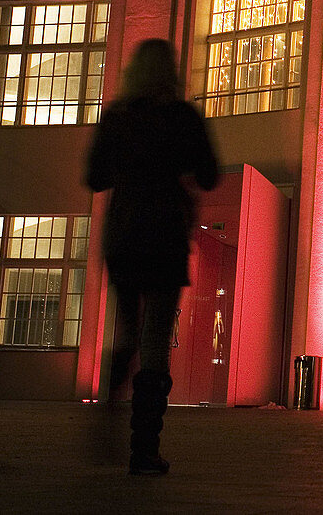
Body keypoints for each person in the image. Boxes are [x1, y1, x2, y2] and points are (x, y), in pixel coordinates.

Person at [86, 38, 220, 476]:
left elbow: (95, 177)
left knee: (128, 328)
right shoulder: (182, 118)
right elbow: (209, 174)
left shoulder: (117, 118)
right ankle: (145, 447)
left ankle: (109, 404)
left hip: (123, 233)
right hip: (164, 234)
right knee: (156, 338)